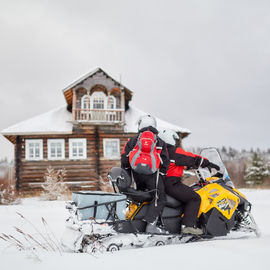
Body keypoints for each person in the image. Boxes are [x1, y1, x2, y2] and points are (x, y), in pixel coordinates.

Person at [158, 129, 220, 235]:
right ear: (170, 139)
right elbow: (192, 158)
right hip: (172, 183)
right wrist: (208, 163)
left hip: (161, 183)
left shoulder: (161, 152)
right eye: (175, 140)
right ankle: (188, 227)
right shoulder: (174, 151)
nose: (177, 143)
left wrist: (188, 166)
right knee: (194, 198)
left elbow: (176, 163)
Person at [121, 115, 170, 234]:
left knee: (143, 195)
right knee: (159, 197)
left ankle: (137, 221)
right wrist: (162, 175)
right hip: (153, 176)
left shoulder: (132, 140)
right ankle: (151, 225)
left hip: (137, 175)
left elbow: (124, 159)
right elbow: (165, 161)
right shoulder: (160, 142)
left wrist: (128, 174)